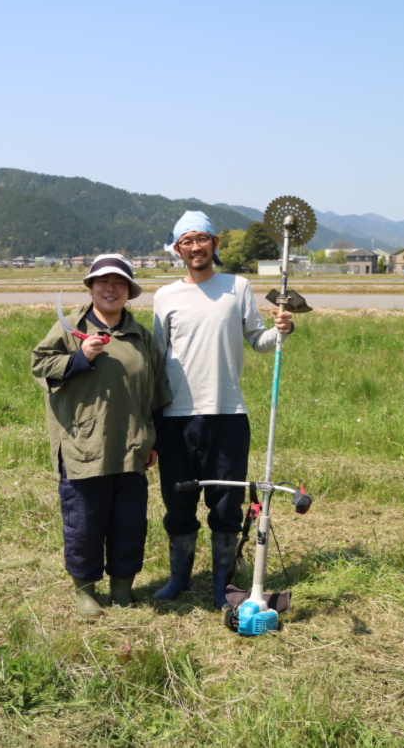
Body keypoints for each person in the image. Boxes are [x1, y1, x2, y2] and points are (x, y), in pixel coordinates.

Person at [152, 211, 293, 609]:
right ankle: (178, 578)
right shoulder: (165, 297)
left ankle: (222, 584)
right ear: (177, 249)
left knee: (227, 504)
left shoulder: (238, 287)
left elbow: (258, 340)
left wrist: (280, 331)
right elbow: (158, 357)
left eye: (202, 239)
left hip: (228, 414)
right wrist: (150, 416)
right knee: (178, 502)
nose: (195, 247)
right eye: (187, 241)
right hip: (175, 416)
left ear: (215, 243)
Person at [32, 254, 170, 617]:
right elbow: (40, 365)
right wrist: (80, 358)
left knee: (129, 523)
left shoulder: (141, 337)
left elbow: (156, 390)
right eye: (103, 282)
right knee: (84, 522)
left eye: (120, 283)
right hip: (83, 445)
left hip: (131, 447)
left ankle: (122, 587)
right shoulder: (69, 329)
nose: (111, 289)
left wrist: (154, 440)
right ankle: (85, 590)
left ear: (129, 292)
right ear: (91, 287)